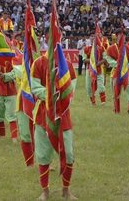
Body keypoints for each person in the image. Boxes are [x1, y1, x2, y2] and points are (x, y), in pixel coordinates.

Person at [30, 50, 77, 200]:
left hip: (63, 115)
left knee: (68, 154)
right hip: (43, 114)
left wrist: (61, 96)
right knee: (43, 154)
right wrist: (50, 96)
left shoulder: (67, 65)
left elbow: (71, 88)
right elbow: (35, 87)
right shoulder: (38, 63)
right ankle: (45, 191)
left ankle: (66, 190)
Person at [104, 35, 129, 114]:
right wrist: (118, 65)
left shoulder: (128, 48)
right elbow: (108, 59)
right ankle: (117, 110)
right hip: (116, 72)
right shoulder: (111, 48)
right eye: (118, 36)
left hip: (126, 72)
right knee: (116, 92)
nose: (120, 38)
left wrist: (128, 67)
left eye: (122, 36)